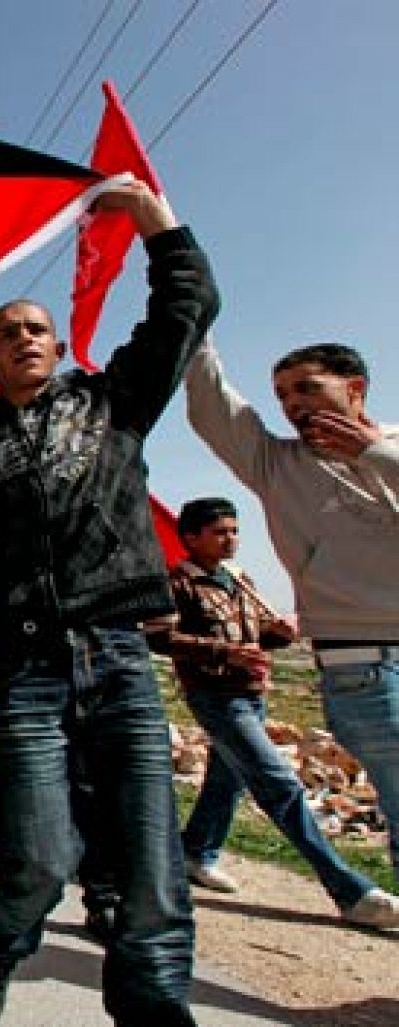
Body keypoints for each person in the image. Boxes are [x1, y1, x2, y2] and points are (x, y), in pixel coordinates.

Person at [0, 180, 217, 1026]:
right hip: (22, 675)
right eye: (7, 332)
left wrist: (153, 218)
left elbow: (188, 306)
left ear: (59, 344)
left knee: (151, 868)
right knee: (39, 861)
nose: (24, 338)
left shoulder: (112, 405)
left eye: (36, 328)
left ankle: (154, 1006)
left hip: (118, 657)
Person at [186, 335, 399, 879]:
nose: (291, 404)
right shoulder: (279, 465)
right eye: (282, 394)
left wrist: (373, 455)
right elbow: (213, 407)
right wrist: (192, 318)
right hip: (365, 667)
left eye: (307, 388)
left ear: (355, 389)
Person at [149, 497, 399, 927]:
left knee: (227, 779)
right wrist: (225, 652)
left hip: (252, 694)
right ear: (190, 537)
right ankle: (350, 891)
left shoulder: (238, 579)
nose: (230, 540)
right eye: (219, 532)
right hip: (216, 697)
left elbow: (255, 635)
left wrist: (278, 634)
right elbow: (159, 638)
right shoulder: (178, 585)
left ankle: (196, 851)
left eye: (234, 531)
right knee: (279, 785)